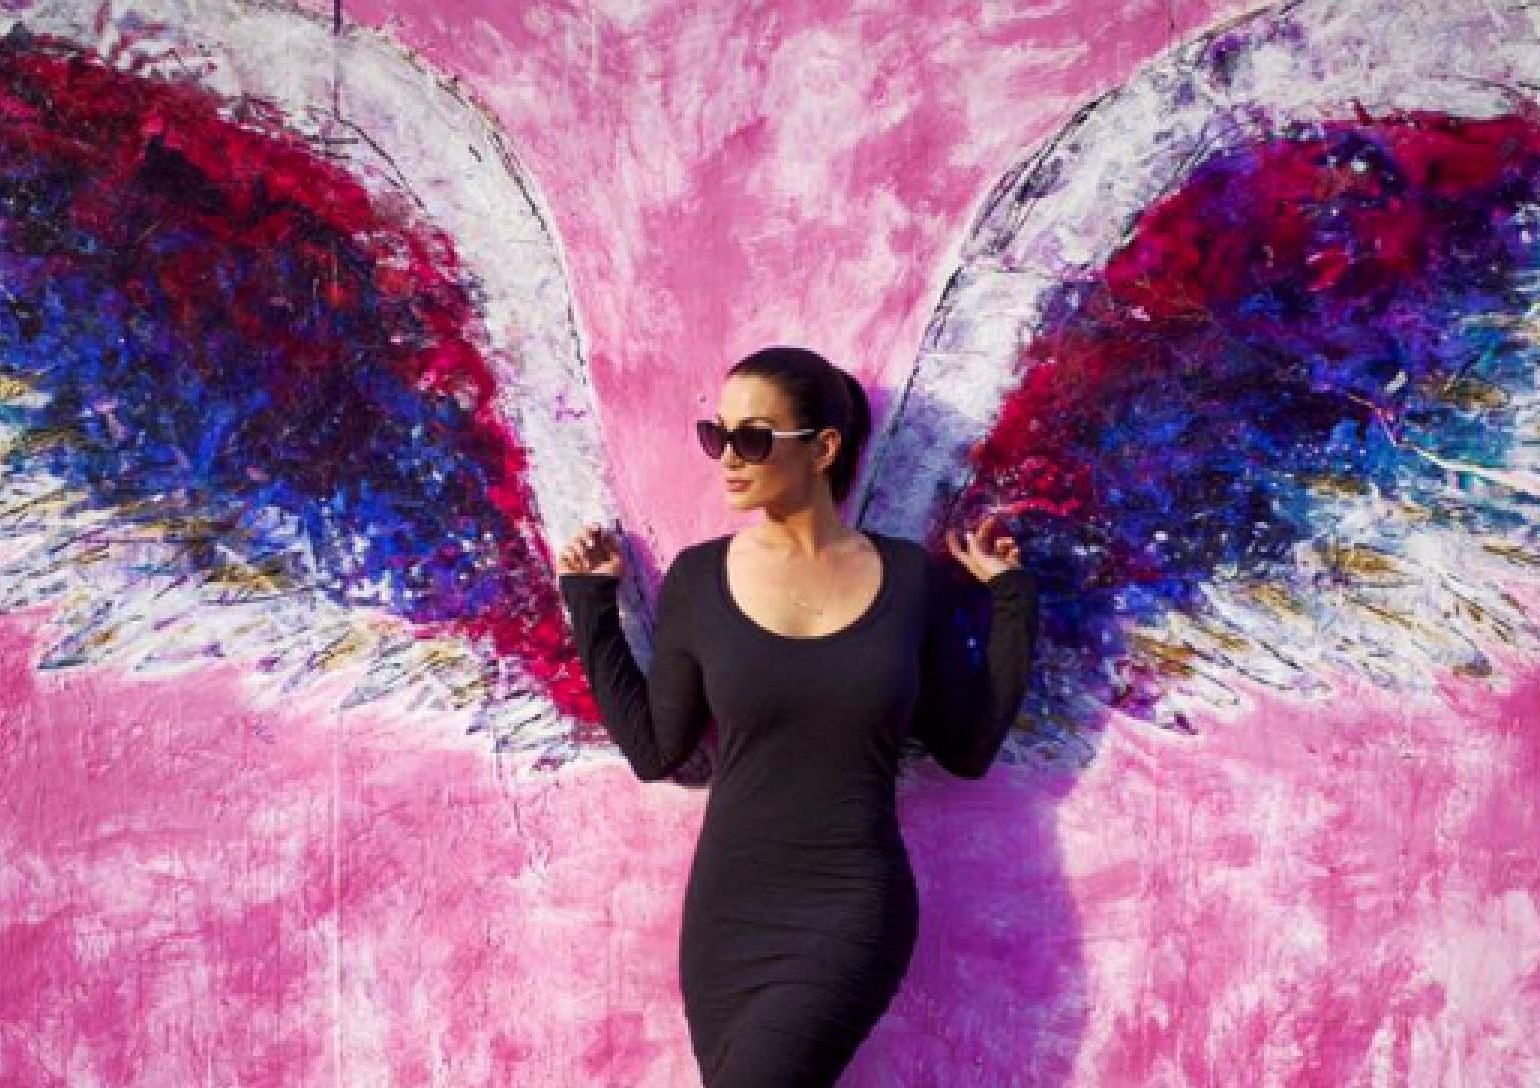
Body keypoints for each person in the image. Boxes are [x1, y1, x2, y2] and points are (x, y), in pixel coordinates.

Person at [555, 345, 1039, 1087]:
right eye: (717, 435)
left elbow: (967, 747)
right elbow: (656, 749)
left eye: (752, 438)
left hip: (851, 907)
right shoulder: (699, 578)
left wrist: (1012, 599)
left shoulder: (909, 577)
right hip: (728, 917)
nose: (727, 457)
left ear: (823, 448)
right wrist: (591, 603)